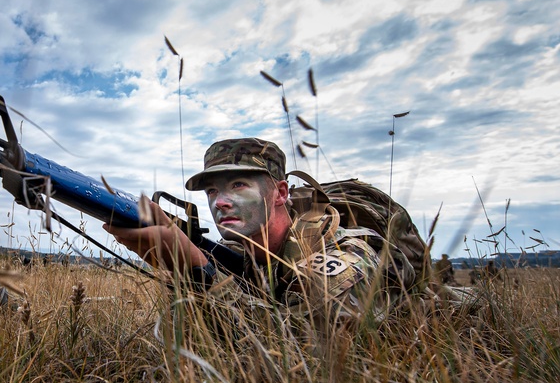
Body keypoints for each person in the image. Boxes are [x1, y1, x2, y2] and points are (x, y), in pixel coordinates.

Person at [104, 138, 391, 322]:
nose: (220, 202)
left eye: (238, 185)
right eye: (213, 191)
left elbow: (300, 354)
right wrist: (178, 272)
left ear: (279, 193)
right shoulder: (235, 253)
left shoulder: (343, 255)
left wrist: (200, 274)